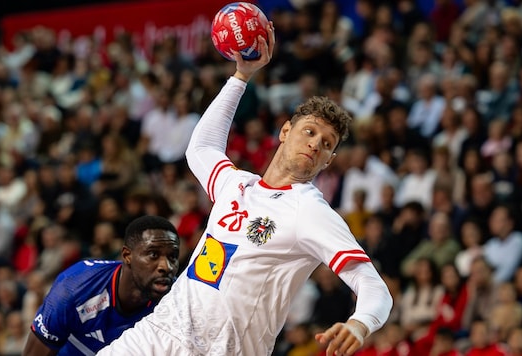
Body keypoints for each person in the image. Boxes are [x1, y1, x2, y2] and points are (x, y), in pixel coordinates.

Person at [98, 25, 392, 356]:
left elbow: (373, 286)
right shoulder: (238, 184)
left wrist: (359, 323)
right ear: (285, 131)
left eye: (326, 144)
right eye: (309, 132)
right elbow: (201, 148)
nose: (315, 144)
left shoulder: (309, 211)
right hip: (158, 334)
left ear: (329, 160)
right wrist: (241, 76)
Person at [22, 215, 180, 355]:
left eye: (173, 256)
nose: (166, 267)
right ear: (127, 255)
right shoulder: (74, 288)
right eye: (153, 254)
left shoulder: (178, 301)